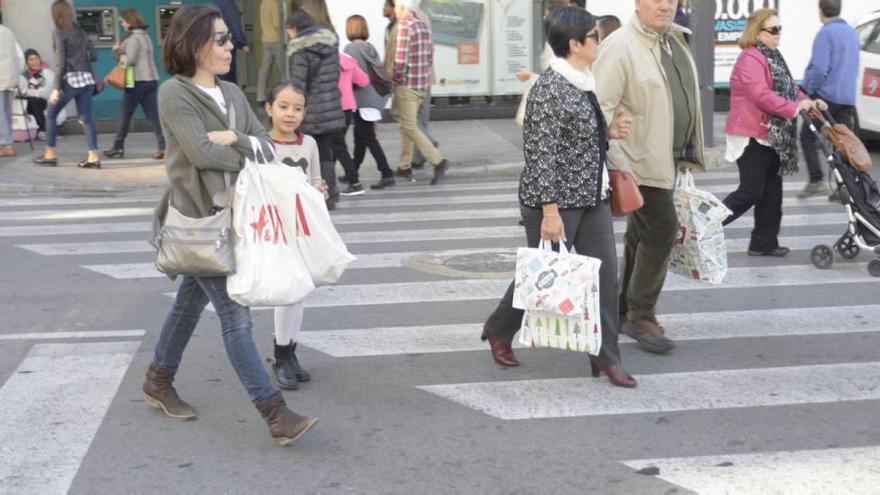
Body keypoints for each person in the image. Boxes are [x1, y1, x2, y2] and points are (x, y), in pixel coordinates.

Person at [146, 4, 317, 445]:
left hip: (237, 219)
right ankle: (275, 413)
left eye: (229, 38)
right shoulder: (175, 94)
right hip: (202, 221)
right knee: (234, 317)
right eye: (221, 39)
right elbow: (201, 154)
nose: (230, 46)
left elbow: (266, 147)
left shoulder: (234, 94)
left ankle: (158, 380)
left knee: (188, 302)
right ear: (195, 44)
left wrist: (239, 140)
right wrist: (246, 155)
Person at [481, 7, 636, 388]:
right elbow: (540, 155)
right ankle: (500, 329)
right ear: (575, 44)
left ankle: (607, 358)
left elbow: (575, 139)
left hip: (591, 195)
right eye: (595, 37)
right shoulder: (549, 88)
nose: (599, 42)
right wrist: (550, 212)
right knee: (543, 278)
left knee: (603, 278)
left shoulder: (583, 80)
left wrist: (608, 132)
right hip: (554, 202)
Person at [593, 0, 708, 354]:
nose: (665, 5)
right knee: (662, 228)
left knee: (641, 233)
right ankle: (641, 314)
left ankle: (623, 307)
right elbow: (601, 108)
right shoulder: (620, 45)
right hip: (636, 161)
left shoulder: (674, 40)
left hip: (666, 159)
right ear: (638, 3)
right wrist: (618, 163)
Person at [720, 9, 820, 258]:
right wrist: (794, 108)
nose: (779, 34)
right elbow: (761, 95)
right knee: (751, 191)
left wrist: (809, 102)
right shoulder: (750, 58)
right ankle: (701, 229)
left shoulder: (773, 56)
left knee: (772, 194)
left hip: (772, 135)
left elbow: (789, 90)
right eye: (773, 30)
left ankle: (763, 243)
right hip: (751, 133)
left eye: (780, 28)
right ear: (757, 32)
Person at [263, 82, 327, 390]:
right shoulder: (261, 145)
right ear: (269, 108)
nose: (290, 114)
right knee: (289, 291)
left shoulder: (309, 144)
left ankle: (289, 353)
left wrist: (321, 191)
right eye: (284, 106)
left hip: (303, 227)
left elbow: (316, 179)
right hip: (274, 229)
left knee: (299, 291)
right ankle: (281, 356)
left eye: (297, 108)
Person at [798, 0, 860, 199]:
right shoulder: (852, 34)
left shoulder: (825, 33)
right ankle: (845, 187)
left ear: (821, 11)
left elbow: (819, 68)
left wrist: (807, 89)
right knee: (841, 142)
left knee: (807, 136)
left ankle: (817, 181)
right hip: (847, 98)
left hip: (825, 97)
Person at [286, 8, 346, 210]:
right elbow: (335, 74)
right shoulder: (330, 44)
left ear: (293, 28)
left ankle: (316, 194)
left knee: (308, 151)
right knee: (325, 152)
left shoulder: (299, 49)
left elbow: (298, 84)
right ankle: (331, 194)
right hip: (331, 105)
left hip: (311, 110)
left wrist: (293, 107)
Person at [34, 0, 100, 169]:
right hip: (86, 80)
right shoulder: (81, 31)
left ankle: (50, 154)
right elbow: (93, 56)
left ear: (56, 15)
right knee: (86, 119)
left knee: (50, 113)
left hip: (70, 80)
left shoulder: (59, 33)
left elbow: (60, 63)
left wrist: (56, 89)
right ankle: (93, 157)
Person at [391, 0, 451, 185]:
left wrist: (396, 79)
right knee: (407, 126)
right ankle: (404, 165)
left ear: (401, 8)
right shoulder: (422, 27)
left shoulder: (404, 27)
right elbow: (430, 56)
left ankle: (438, 161)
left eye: (395, 6)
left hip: (407, 86)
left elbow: (400, 62)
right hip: (422, 85)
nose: (394, 10)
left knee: (408, 126)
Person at [104, 9, 165, 160]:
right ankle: (163, 146)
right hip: (151, 79)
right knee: (153, 116)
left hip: (136, 80)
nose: (122, 23)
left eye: (124, 21)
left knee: (125, 114)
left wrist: (116, 51)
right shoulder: (145, 36)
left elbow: (129, 61)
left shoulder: (133, 38)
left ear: (130, 21)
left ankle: (118, 147)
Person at [344, 14, 396, 190]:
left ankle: (386, 172)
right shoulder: (369, 47)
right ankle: (353, 170)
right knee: (360, 137)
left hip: (363, 100)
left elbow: (354, 76)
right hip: (374, 99)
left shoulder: (351, 48)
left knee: (368, 138)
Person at [334, 51, 370, 195]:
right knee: (336, 145)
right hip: (347, 108)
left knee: (337, 146)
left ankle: (355, 182)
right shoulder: (347, 60)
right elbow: (364, 81)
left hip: (331, 107)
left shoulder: (322, 59)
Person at [18, 49, 55, 141]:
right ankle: (38, 131)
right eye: (31, 59)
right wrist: (32, 93)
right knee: (30, 102)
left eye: (36, 58)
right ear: (27, 62)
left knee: (34, 101)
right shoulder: (24, 76)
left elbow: (47, 92)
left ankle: (43, 129)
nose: (35, 62)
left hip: (47, 101)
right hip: (30, 103)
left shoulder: (47, 73)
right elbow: (22, 91)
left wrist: (31, 92)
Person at [0, 20, 23, 157]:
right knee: (6, 111)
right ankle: (7, 143)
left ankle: (5, 144)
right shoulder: (8, 31)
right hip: (10, 77)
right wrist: (16, 74)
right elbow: (19, 55)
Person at [213, 0, 250, 85]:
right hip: (226, 43)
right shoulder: (229, 5)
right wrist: (243, 43)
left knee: (220, 75)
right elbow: (235, 23)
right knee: (229, 75)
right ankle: (232, 97)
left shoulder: (215, 3)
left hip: (216, 44)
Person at [257, 0, 283, 106]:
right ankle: (284, 95)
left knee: (264, 70)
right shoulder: (273, 4)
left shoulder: (263, 3)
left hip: (266, 40)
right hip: (276, 40)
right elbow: (277, 24)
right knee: (283, 70)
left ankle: (260, 96)